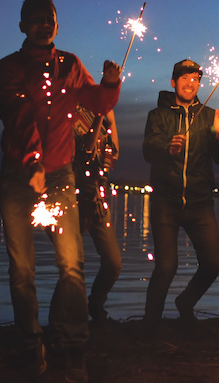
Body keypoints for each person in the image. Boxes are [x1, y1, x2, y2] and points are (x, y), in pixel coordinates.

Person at [0, 0, 121, 382]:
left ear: (57, 25)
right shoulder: (7, 68)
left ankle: (73, 345)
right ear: (22, 27)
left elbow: (94, 102)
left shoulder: (69, 64)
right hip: (19, 177)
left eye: (47, 19)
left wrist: (110, 85)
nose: (42, 25)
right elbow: (19, 116)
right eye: (34, 20)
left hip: (62, 177)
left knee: (71, 265)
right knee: (22, 270)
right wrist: (33, 162)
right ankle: (31, 344)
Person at [141, 59, 219, 339]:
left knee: (213, 264)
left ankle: (185, 302)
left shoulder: (209, 116)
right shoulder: (157, 116)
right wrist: (167, 147)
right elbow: (148, 149)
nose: (190, 82)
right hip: (165, 203)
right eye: (184, 77)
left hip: (199, 204)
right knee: (166, 266)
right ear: (173, 82)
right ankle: (149, 329)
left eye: (195, 78)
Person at [73, 106, 122, 327]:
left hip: (98, 201)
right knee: (72, 264)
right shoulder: (74, 115)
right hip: (75, 199)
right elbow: (87, 149)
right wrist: (102, 114)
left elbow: (114, 154)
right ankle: (72, 316)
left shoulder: (102, 121)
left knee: (113, 262)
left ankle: (96, 303)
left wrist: (111, 121)